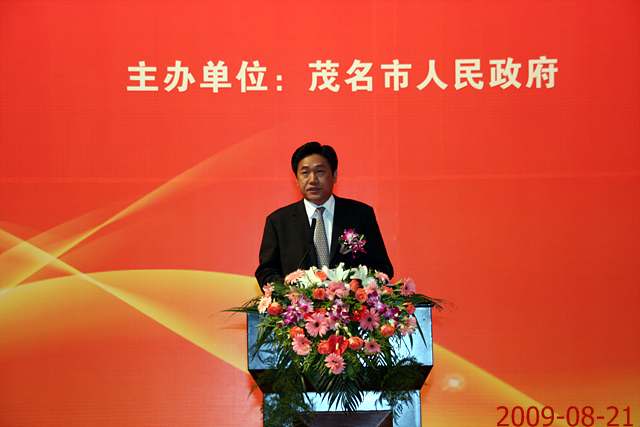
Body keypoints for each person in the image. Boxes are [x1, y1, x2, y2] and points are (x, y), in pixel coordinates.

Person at [255, 141, 394, 286]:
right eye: (305, 173)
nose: (313, 180)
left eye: (320, 172)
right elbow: (266, 271)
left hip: (350, 299)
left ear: (334, 175)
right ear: (296, 179)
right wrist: (289, 290)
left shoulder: (361, 215)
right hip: (299, 300)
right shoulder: (278, 222)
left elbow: (382, 267)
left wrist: (357, 285)